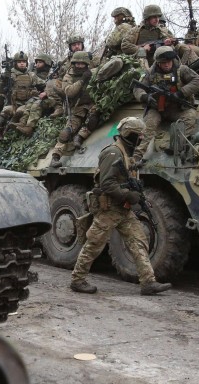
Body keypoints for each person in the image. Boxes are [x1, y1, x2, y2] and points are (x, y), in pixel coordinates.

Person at [70, 117, 172, 296]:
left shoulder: (125, 153)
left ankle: (148, 282)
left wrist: (134, 194)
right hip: (109, 209)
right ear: (128, 134)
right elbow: (107, 184)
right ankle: (77, 280)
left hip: (123, 210)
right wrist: (128, 195)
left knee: (138, 242)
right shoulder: (113, 153)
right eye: (138, 136)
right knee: (94, 244)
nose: (140, 140)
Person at [130, 46, 199, 164]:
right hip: (157, 108)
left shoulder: (181, 70)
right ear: (158, 62)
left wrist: (180, 93)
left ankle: (176, 147)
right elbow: (138, 88)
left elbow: (197, 81)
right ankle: (138, 155)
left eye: (169, 62)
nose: (167, 65)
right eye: (163, 63)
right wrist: (145, 97)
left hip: (177, 108)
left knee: (191, 116)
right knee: (149, 125)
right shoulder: (150, 73)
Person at [48, 51, 98, 166]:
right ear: (73, 63)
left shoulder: (93, 72)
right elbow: (69, 92)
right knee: (66, 133)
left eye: (82, 64)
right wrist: (82, 80)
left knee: (94, 118)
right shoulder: (68, 76)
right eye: (77, 64)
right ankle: (55, 157)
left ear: (87, 64)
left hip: (92, 105)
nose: (79, 66)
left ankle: (79, 137)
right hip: (77, 107)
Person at [0, 51, 36, 139]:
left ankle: (11, 126)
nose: (22, 64)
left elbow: (40, 85)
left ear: (26, 63)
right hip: (13, 103)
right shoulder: (10, 74)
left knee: (20, 112)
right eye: (19, 62)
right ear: (15, 63)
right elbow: (1, 90)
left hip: (26, 104)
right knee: (6, 111)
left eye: (24, 62)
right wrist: (3, 80)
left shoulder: (31, 75)